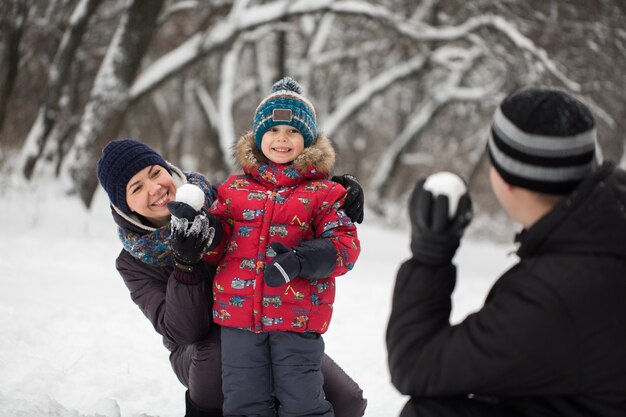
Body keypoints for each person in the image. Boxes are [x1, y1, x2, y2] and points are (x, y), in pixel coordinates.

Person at [386, 87, 626, 417]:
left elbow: (416, 364)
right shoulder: (605, 229)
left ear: (505, 179)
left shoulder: (554, 293)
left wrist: (429, 257)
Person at [96, 139, 367, 417]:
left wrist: (331, 193)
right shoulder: (133, 262)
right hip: (198, 352)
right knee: (222, 350)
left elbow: (281, 199)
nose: (155, 188)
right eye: (136, 188)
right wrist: (185, 266)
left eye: (155, 173)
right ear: (125, 206)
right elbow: (186, 331)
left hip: (267, 322)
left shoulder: (220, 198)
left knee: (347, 400)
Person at [200, 77, 360, 417]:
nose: (282, 139)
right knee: (244, 404)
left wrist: (302, 260)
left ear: (309, 141)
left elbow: (344, 247)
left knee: (304, 403)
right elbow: (217, 247)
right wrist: (206, 234)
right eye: (273, 131)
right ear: (259, 138)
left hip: (297, 320)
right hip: (238, 319)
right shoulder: (233, 190)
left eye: (293, 131)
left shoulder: (324, 193)